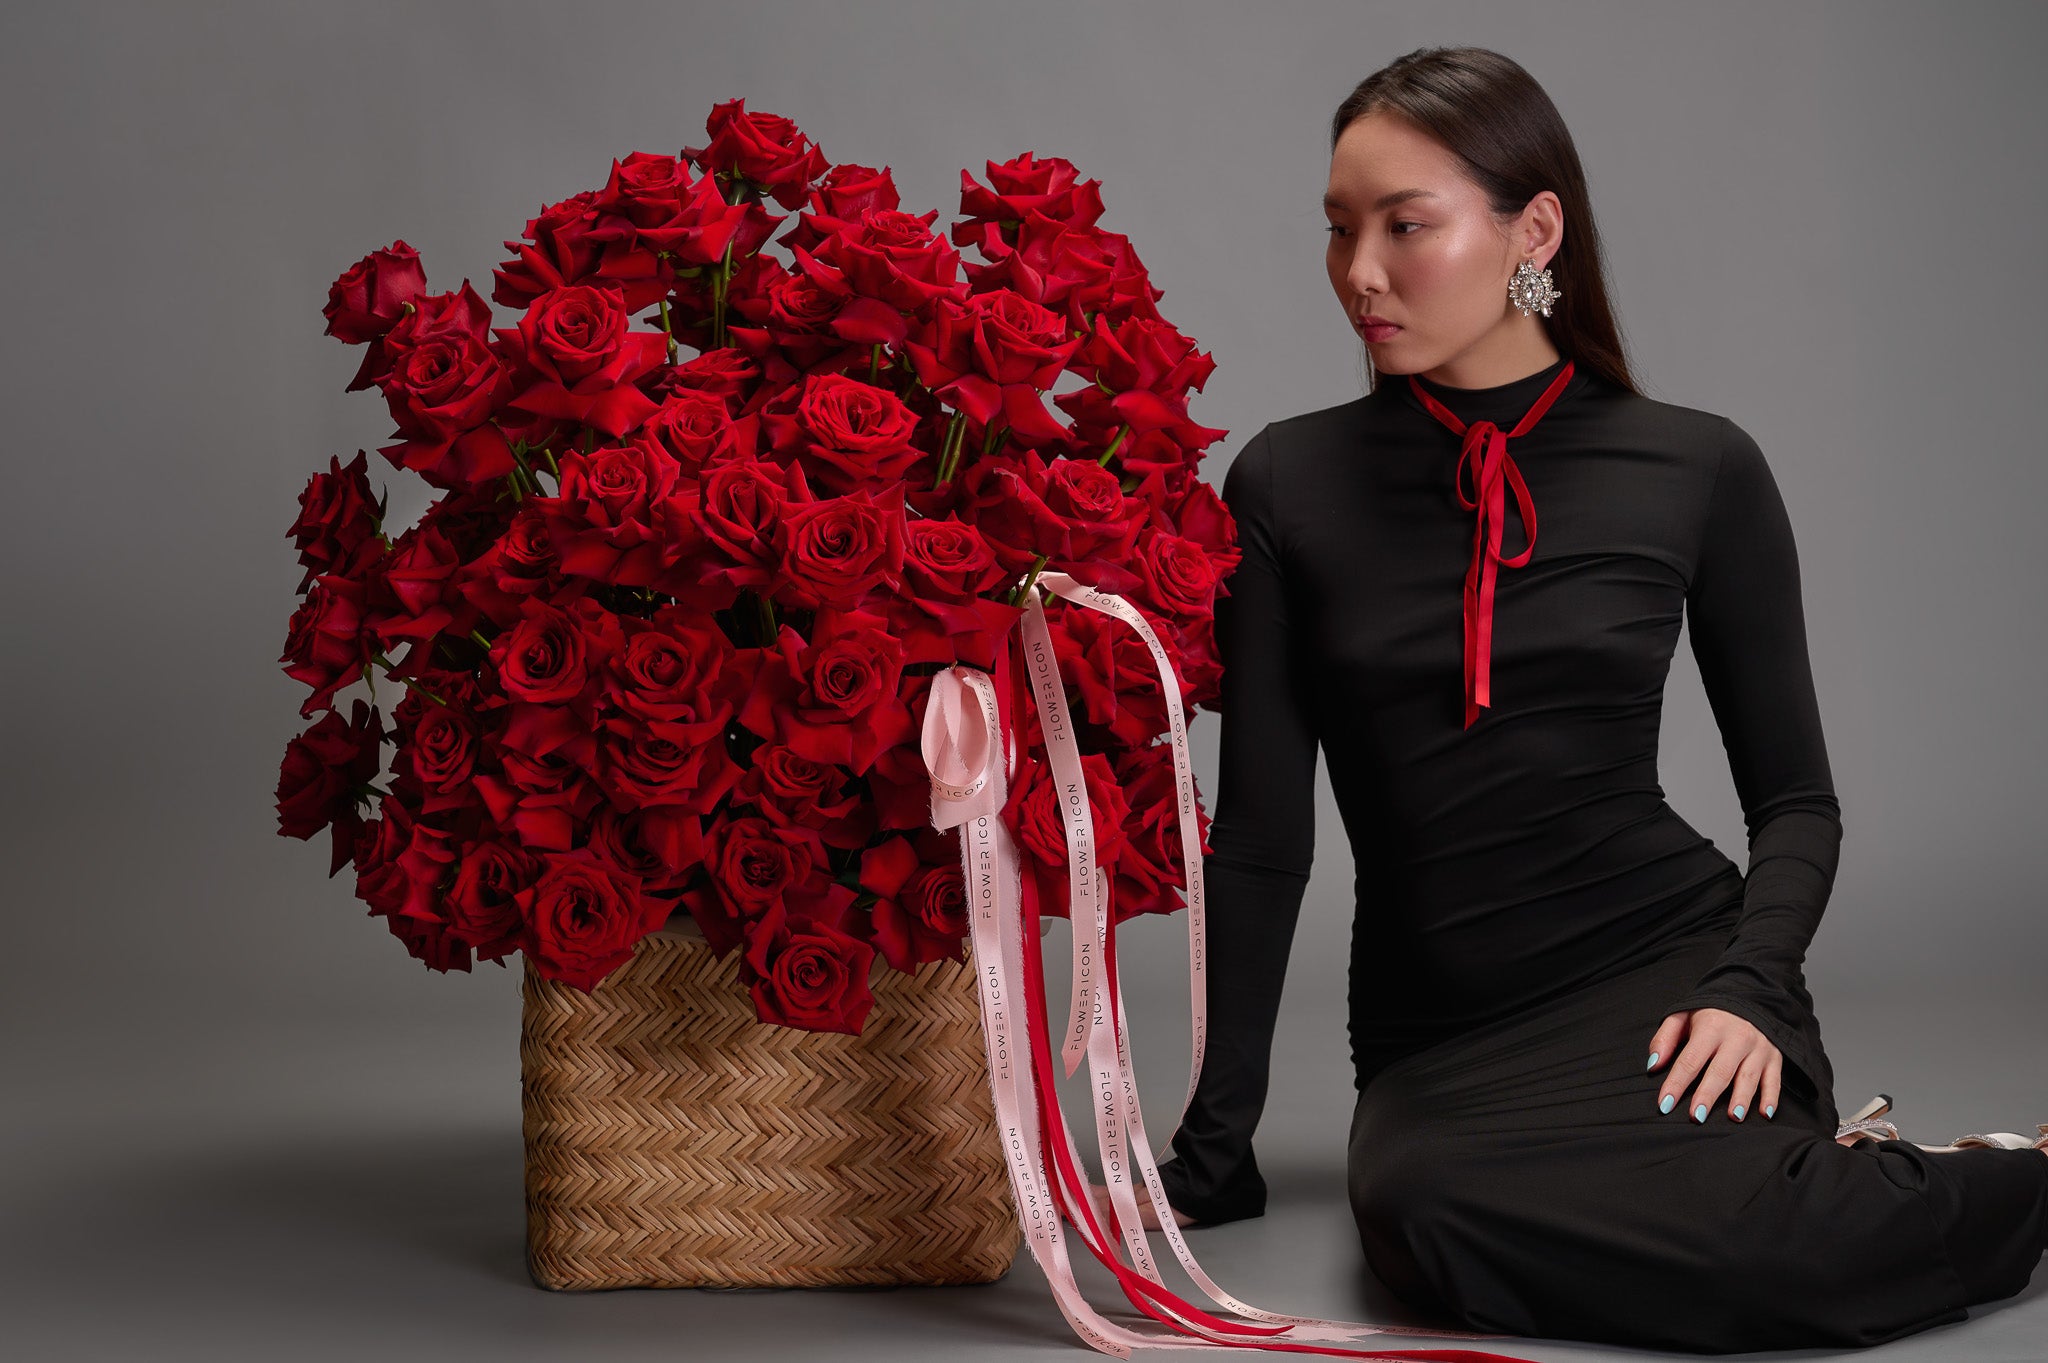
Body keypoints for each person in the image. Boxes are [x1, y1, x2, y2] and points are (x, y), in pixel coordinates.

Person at [1093, 45, 2048, 1354]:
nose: (1359, 271)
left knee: (1771, 1256)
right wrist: (1213, 1148)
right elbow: (1263, 839)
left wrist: (1752, 989)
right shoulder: (1288, 482)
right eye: (1339, 229)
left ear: (1533, 229)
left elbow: (1798, 802)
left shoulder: (1695, 467)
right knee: (1427, 1212)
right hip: (1442, 1041)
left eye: (1405, 225)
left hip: (1673, 975)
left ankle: (2011, 1178)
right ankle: (1842, 1173)